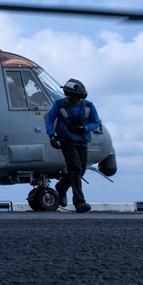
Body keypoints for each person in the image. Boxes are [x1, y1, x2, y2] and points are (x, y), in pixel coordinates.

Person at [46, 78, 101, 213]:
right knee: (75, 168)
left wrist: (84, 128)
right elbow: (50, 119)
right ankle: (79, 202)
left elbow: (95, 122)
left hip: (82, 141)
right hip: (66, 141)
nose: (70, 97)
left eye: (73, 95)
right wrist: (51, 135)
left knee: (80, 170)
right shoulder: (59, 105)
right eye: (67, 93)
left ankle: (61, 187)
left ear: (81, 96)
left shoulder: (89, 107)